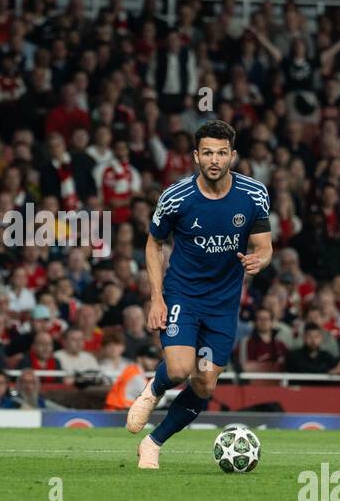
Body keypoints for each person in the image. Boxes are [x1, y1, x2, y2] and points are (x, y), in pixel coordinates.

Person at [127, 119, 272, 469]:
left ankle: (153, 442)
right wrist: (156, 299)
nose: (214, 160)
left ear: (232, 156)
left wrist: (259, 261)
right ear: (196, 156)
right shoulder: (177, 197)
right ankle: (153, 390)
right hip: (183, 296)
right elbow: (153, 244)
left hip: (223, 306)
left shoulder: (254, 194)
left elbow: (265, 246)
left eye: (222, 153)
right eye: (207, 152)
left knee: (204, 383)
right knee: (179, 369)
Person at [105, 345, 161, 412]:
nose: (154, 361)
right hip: (119, 413)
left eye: (156, 358)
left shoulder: (132, 369)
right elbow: (154, 402)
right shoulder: (136, 377)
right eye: (150, 358)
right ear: (139, 358)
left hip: (117, 411)